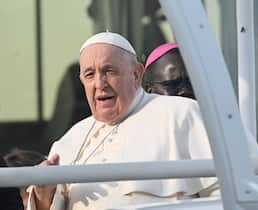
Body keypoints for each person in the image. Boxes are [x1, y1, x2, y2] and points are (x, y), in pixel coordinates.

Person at [26, 32, 218, 210]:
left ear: (136, 74)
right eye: (90, 74)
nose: (100, 84)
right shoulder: (69, 141)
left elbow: (227, 189)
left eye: (109, 71)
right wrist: (44, 194)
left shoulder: (180, 114)